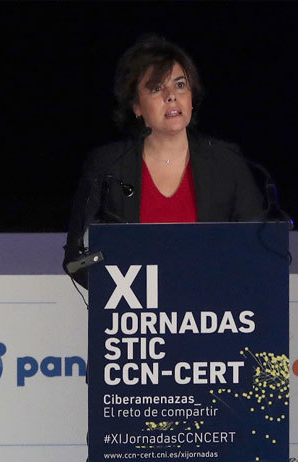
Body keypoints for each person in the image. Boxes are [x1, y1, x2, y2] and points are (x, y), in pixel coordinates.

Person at [63, 34, 267, 287]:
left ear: (192, 97)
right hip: (136, 307)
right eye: (156, 88)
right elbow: (75, 260)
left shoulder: (227, 161)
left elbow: (259, 248)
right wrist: (125, 287)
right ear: (136, 106)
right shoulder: (107, 165)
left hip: (212, 305)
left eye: (180, 85)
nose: (171, 96)